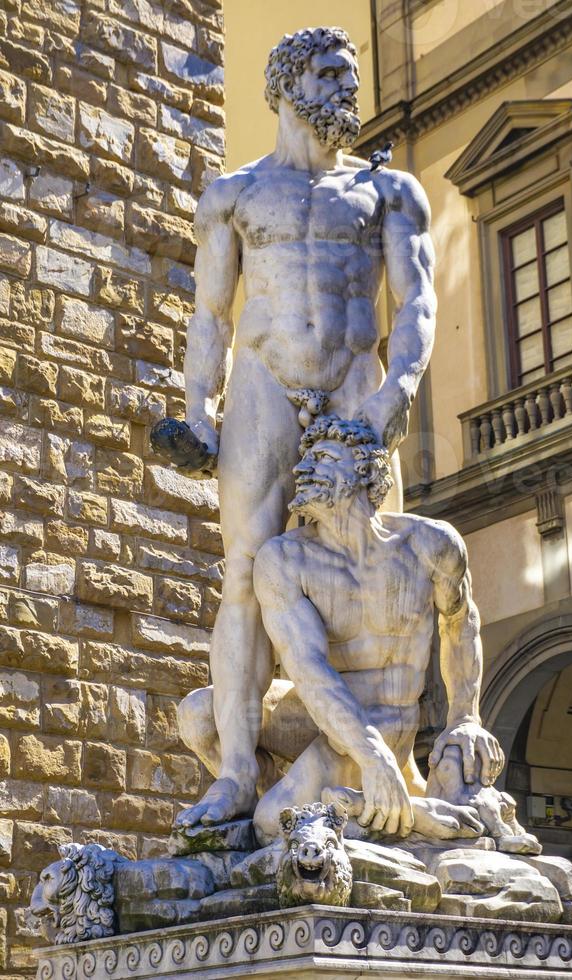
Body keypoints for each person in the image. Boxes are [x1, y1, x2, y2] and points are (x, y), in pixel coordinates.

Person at [178, 26, 437, 828]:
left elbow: (418, 302)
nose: (345, 90)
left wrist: (398, 392)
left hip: (357, 383)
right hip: (263, 387)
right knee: (246, 572)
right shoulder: (233, 194)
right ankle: (231, 773)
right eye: (329, 74)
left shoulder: (390, 193)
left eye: (349, 76)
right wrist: (195, 408)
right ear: (286, 86)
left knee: (377, 561)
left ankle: (395, 757)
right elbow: (210, 317)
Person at [178, 416, 504, 844]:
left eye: (325, 458)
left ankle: (387, 809)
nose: (304, 469)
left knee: (273, 821)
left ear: (366, 472)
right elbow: (308, 668)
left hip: (387, 715)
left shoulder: (430, 545)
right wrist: (370, 756)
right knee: (199, 713)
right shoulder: (285, 559)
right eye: (306, 458)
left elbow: (460, 624)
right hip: (319, 709)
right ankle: (360, 803)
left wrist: (465, 717)